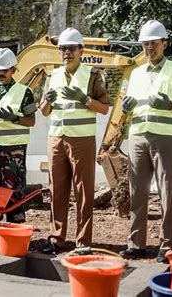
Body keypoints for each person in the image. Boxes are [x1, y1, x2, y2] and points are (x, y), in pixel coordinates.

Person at [119, 20, 172, 263]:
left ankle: (167, 243)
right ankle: (136, 243)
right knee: (137, 191)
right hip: (138, 136)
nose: (150, 47)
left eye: (154, 42)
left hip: (165, 137)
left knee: (166, 190)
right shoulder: (136, 73)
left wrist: (171, 105)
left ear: (164, 43)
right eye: (145, 43)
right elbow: (128, 104)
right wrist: (125, 107)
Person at [40, 27, 110, 253]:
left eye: (71, 48)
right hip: (56, 139)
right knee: (57, 190)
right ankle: (56, 238)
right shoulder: (52, 76)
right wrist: (46, 102)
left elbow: (104, 107)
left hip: (81, 140)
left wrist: (85, 98)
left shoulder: (92, 75)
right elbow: (44, 111)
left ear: (81, 50)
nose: (66, 53)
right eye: (63, 49)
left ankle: (83, 241)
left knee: (83, 190)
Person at [0, 48, 36, 223]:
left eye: (5, 70)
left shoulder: (24, 92)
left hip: (13, 150)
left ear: (13, 70)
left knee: (13, 189)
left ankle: (15, 226)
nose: (1, 73)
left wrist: (15, 118)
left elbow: (31, 121)